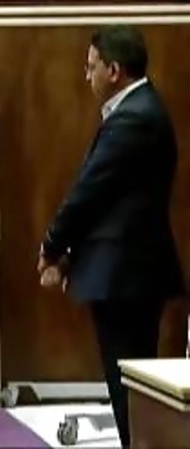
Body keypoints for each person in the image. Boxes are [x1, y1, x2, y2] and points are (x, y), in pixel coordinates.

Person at [37, 25, 186, 447]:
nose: (87, 76)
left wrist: (52, 245)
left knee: (130, 389)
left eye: (91, 67)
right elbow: (111, 202)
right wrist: (68, 256)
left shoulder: (134, 118)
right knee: (131, 386)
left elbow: (90, 191)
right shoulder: (138, 111)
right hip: (128, 273)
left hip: (127, 277)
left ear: (114, 70)